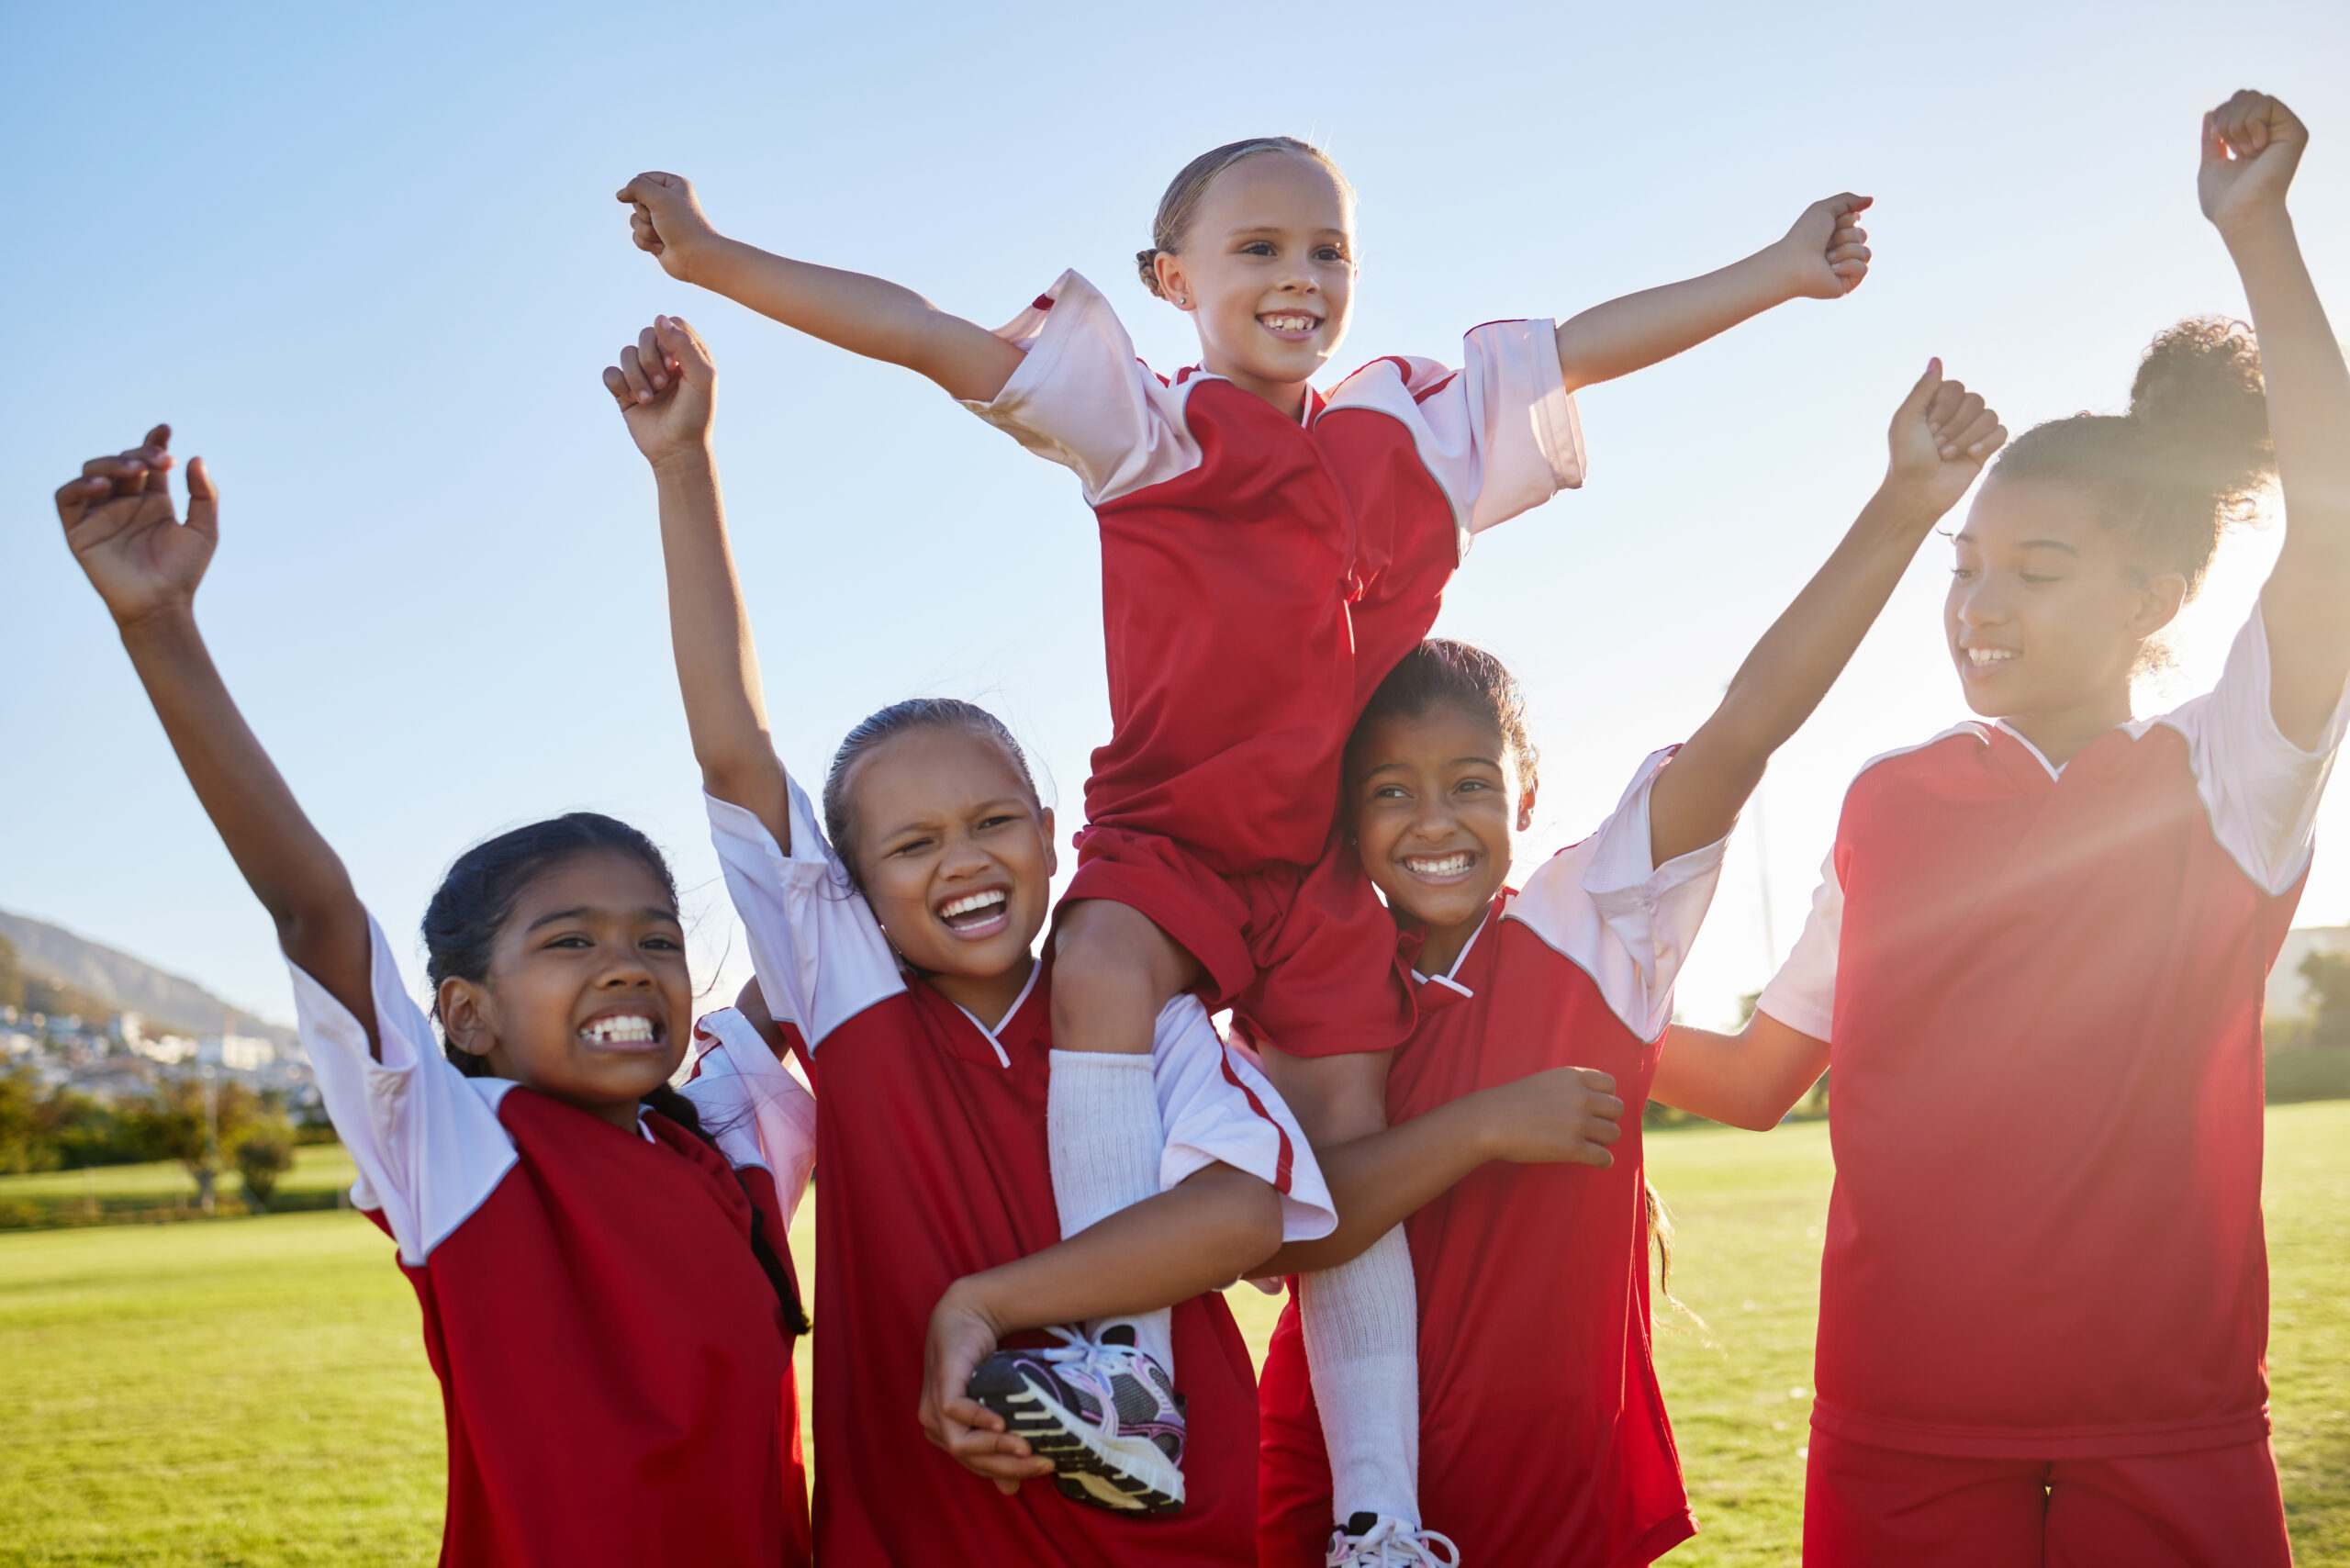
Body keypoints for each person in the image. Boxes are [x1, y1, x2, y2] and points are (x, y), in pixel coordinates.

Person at [617, 137, 1873, 1551]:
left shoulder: (1410, 428)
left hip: (1320, 873)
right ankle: (1113, 1358)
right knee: (1096, 952)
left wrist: (1776, 272)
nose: (1300, 277)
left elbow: (1581, 347)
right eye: (1258, 250)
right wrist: (717, 259)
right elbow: (925, 337)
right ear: (1173, 280)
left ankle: (1381, 1522)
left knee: (1345, 1159)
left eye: (1327, 250)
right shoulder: (1145, 426)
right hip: (1171, 839)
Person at [1658, 91, 2346, 1568]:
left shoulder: (2229, 778)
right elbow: (1759, 1079)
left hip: (2172, 1428)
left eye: (2036, 571)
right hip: (1898, 1432)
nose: (1979, 606)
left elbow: (2336, 523)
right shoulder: (1885, 803)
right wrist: (1561, 1008)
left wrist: (2262, 235)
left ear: (2156, 599)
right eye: (1967, 567)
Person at [1248, 360, 2007, 1565]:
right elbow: (1287, 1234)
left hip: (1555, 1470)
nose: (1432, 821)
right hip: (1336, 1472)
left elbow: (1748, 723)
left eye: (1469, 786)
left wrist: (1905, 504)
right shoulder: (1314, 975)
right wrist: (1488, 1123)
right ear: (1345, 816)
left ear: (1528, 794)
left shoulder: (1589, 923)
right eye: (1390, 792)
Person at [606, 312, 1335, 1562]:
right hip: (921, 1532)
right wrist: (683, 463)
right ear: (849, 888)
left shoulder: (1131, 1002)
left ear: (1052, 837)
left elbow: (1242, 1218)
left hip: (1167, 1537)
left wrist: (985, 1305)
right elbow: (734, 747)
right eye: (912, 844)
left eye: (995, 821)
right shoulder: (842, 986)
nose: (963, 860)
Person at [51, 430, 811, 1567]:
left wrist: (684, 464)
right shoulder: (455, 1146)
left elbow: (791, 870)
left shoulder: (733, 1134)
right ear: (464, 1015)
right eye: (569, 940)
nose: (627, 962)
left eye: (657, 935)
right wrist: (157, 626)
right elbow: (314, 910)